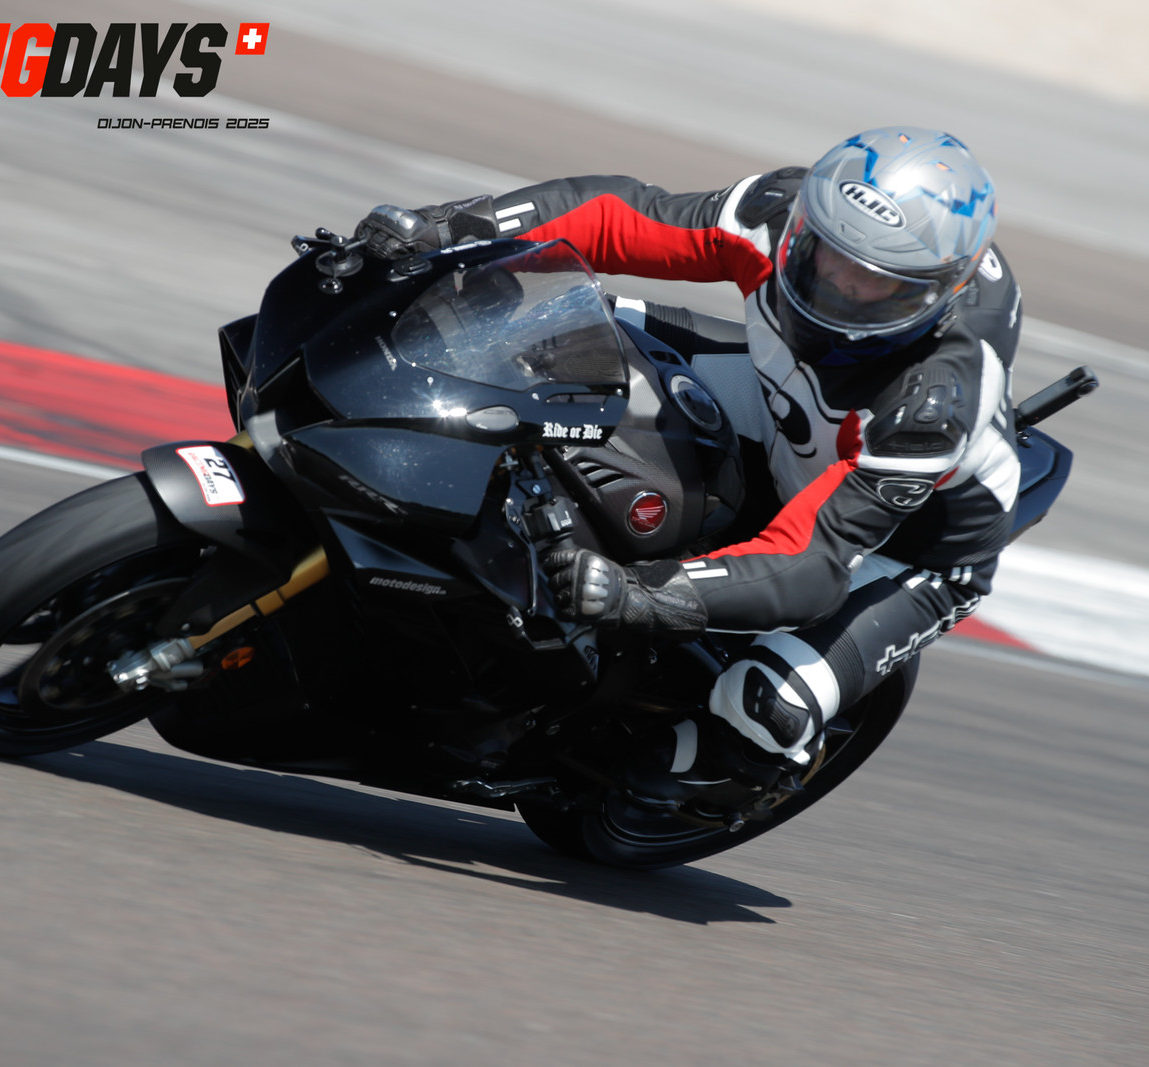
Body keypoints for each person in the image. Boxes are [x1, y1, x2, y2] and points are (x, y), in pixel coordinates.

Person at [354, 127, 1022, 799]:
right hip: (781, 399)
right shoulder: (777, 212)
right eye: (827, 255)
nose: (838, 286)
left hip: (897, 543)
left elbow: (812, 564)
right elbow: (619, 217)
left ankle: (744, 776)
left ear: (935, 295)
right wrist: (446, 229)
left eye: (875, 282)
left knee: (765, 703)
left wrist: (638, 592)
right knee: (555, 333)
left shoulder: (933, 405)